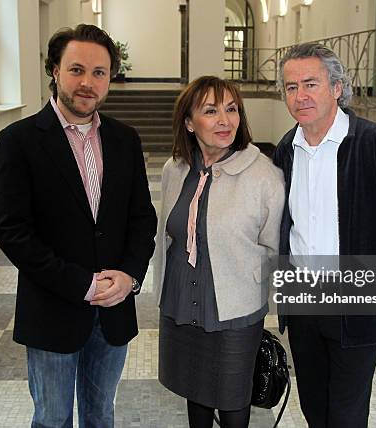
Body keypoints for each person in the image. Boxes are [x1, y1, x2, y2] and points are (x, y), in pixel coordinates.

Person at [0, 24, 157, 427]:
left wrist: (131, 276)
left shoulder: (125, 139)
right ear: (54, 70)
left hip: (115, 310)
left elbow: (142, 218)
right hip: (52, 310)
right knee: (52, 418)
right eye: (76, 69)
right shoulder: (19, 140)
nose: (88, 82)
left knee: (101, 415)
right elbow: (13, 231)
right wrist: (80, 284)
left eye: (99, 73)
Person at [273, 43, 376, 428]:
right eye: (291, 87)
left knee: (346, 413)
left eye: (311, 83)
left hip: (358, 302)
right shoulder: (285, 151)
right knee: (313, 408)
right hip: (304, 301)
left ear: (337, 88)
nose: (300, 96)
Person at [153, 76, 285, 428]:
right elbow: (167, 235)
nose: (224, 120)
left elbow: (274, 247)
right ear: (189, 122)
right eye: (210, 111)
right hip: (182, 300)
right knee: (194, 393)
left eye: (231, 109)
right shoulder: (174, 170)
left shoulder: (264, 175)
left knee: (231, 401)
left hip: (234, 309)